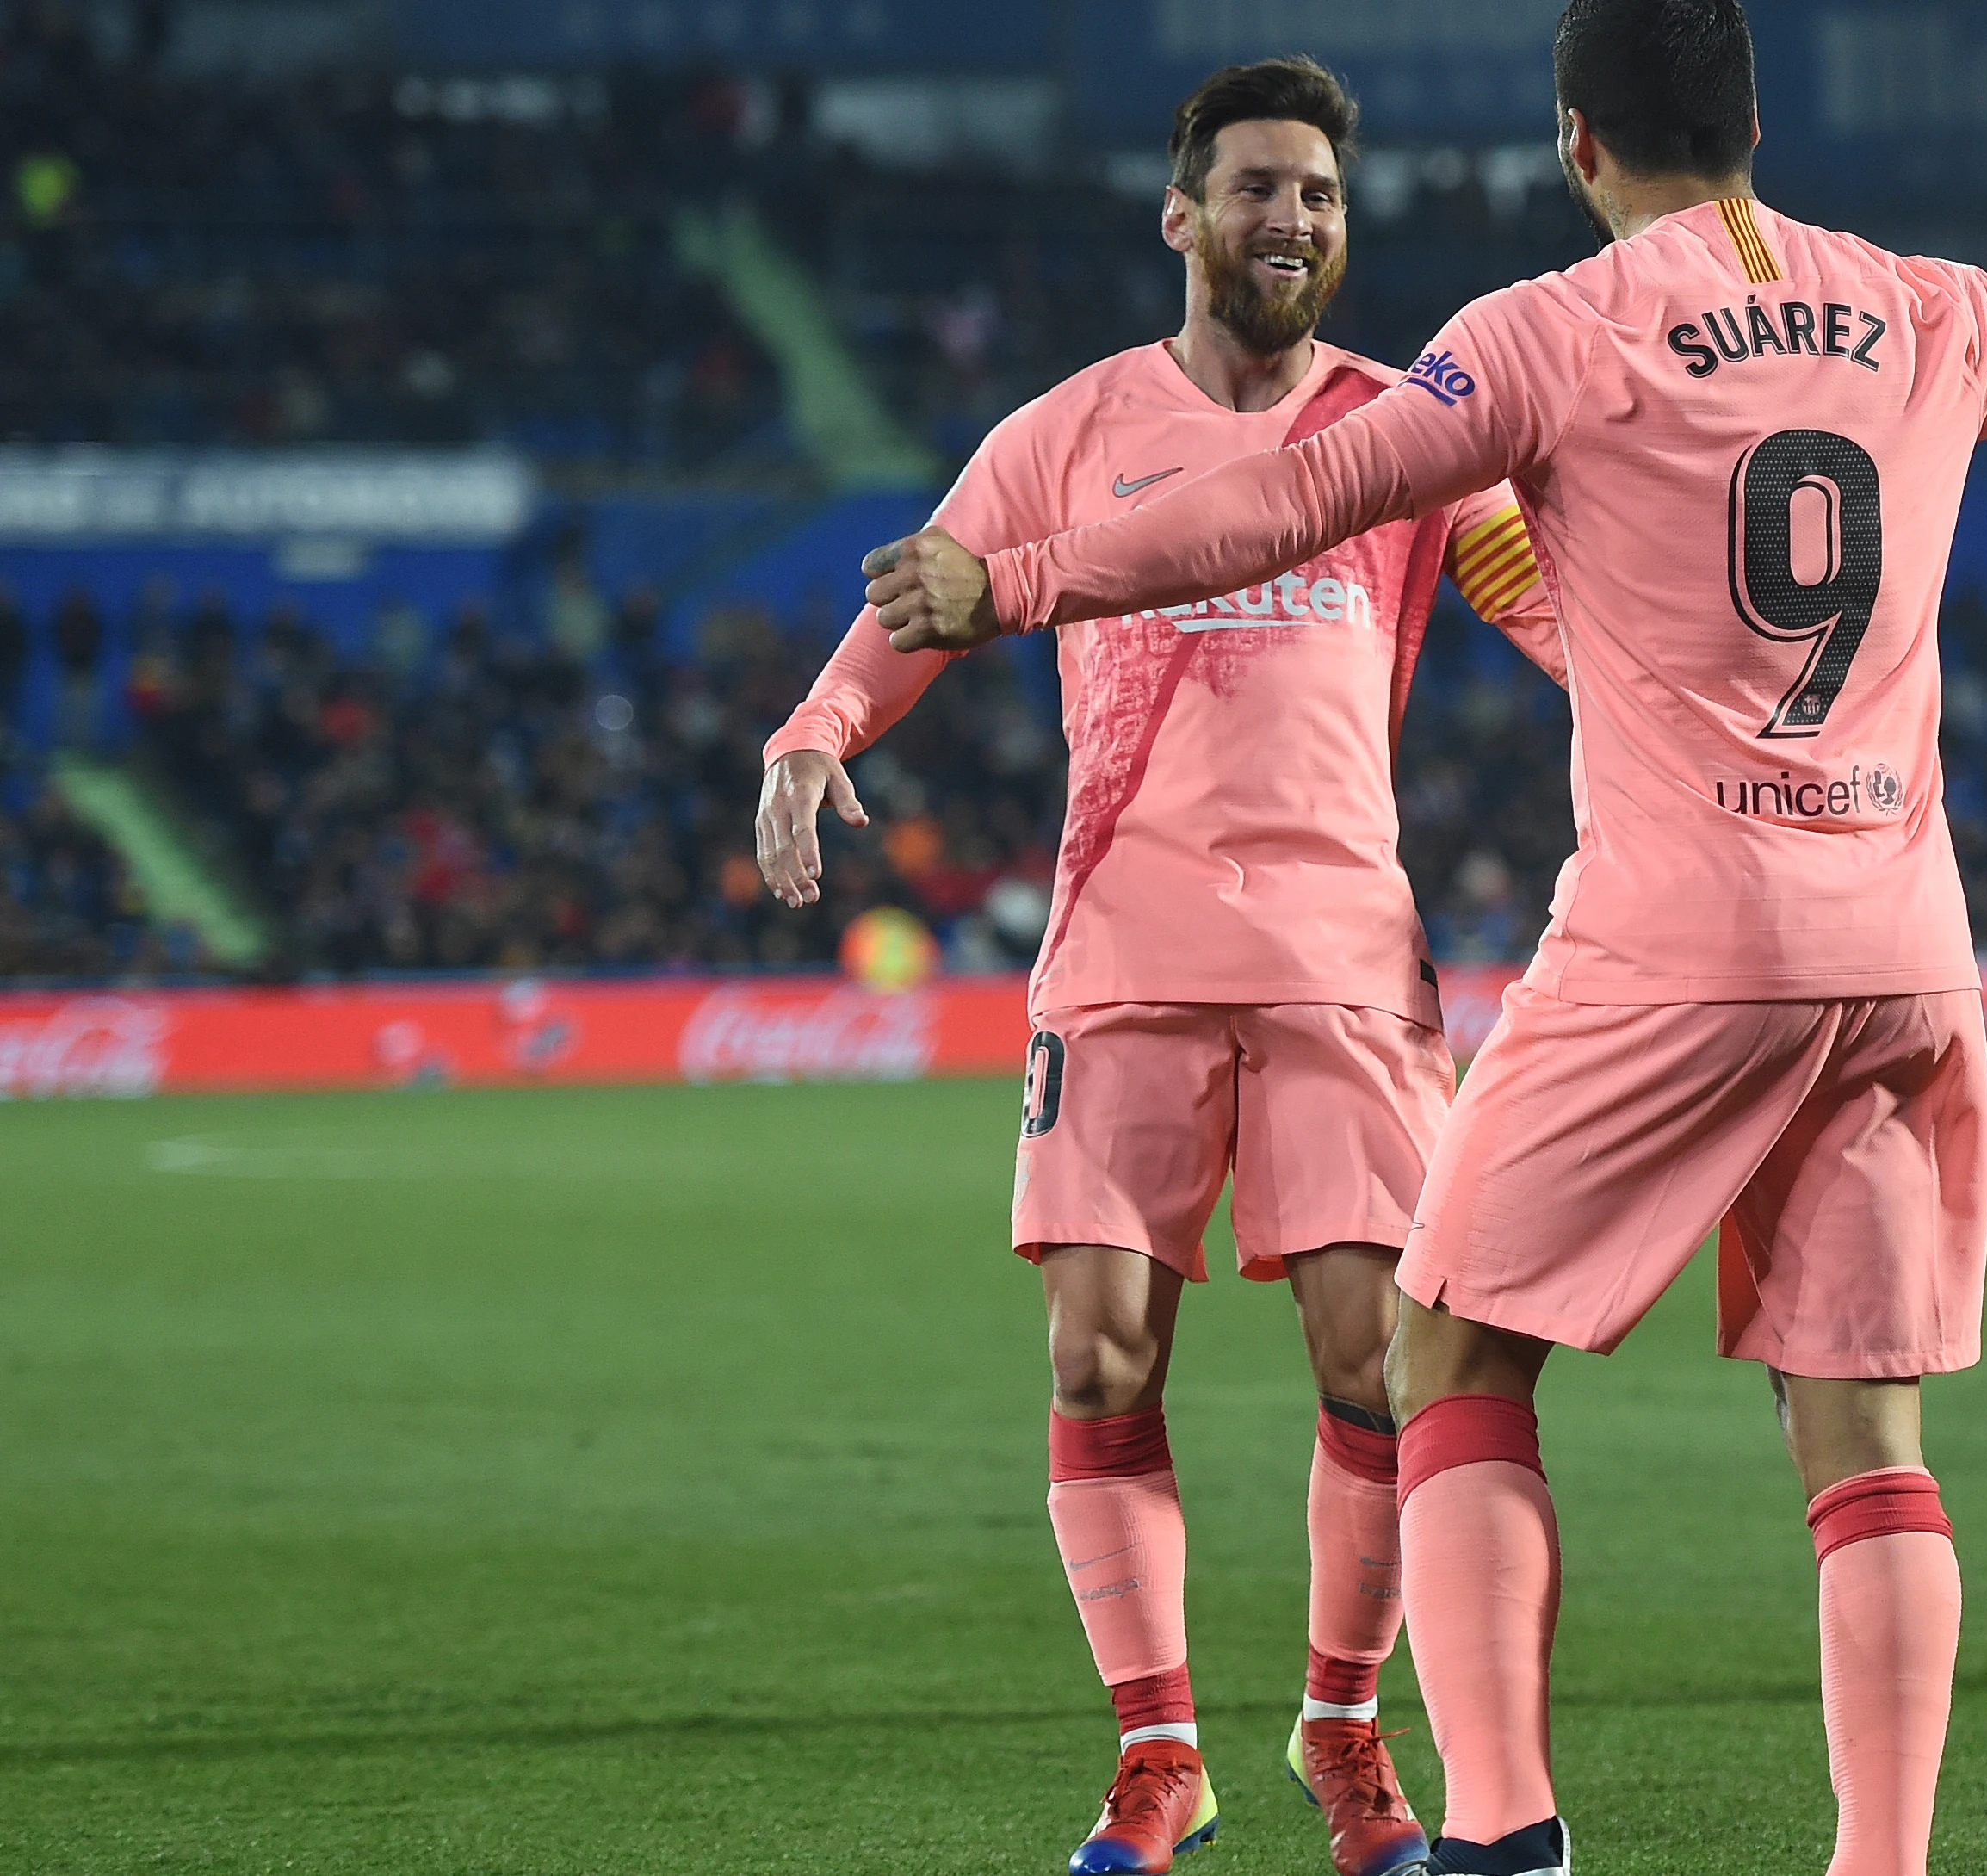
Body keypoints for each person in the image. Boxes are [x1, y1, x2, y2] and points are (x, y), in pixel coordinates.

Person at [856, 4, 1987, 1868]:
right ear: (1751, 126)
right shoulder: (1933, 307)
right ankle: (1880, 1859)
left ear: (1580, 145)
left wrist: (1015, 578)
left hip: (1676, 944)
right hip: (1903, 955)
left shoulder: (1546, 331)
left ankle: (1502, 1827)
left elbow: (1287, 498)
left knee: (1447, 1349)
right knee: (1866, 1442)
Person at [752, 59, 1561, 1876]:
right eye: (1260, 189)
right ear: (1181, 214)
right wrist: (816, 725)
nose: (1294, 221)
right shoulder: (1070, 425)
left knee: (1377, 1370)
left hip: (1345, 959)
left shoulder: (1409, 429)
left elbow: (1551, 607)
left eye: (1323, 198)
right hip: (1122, 946)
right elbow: (929, 592)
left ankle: (1343, 1732)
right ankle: (1158, 1754)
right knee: (1102, 1354)